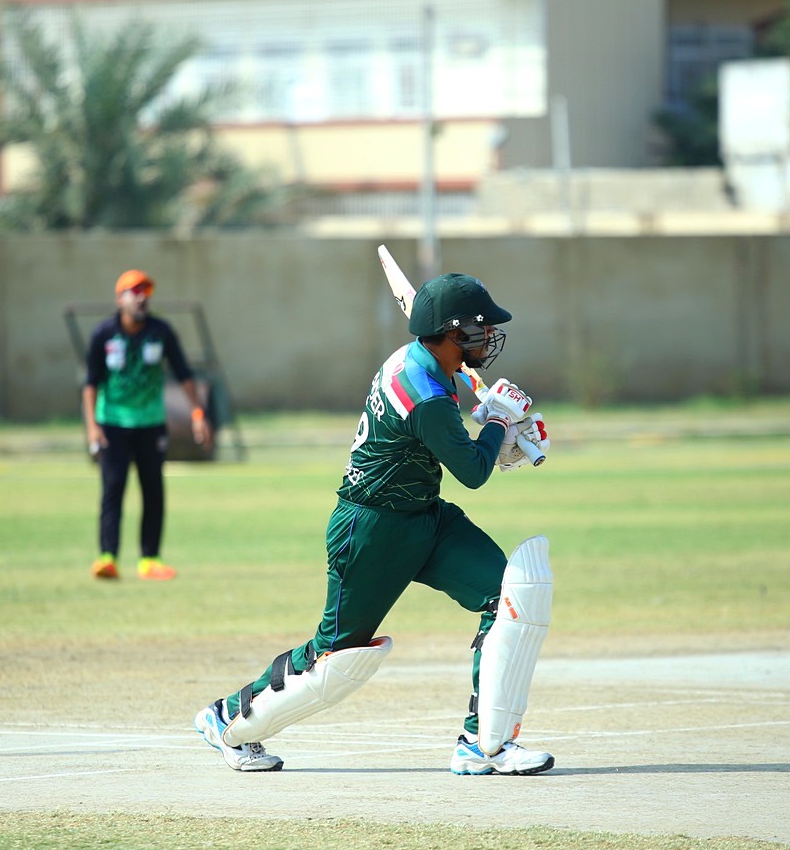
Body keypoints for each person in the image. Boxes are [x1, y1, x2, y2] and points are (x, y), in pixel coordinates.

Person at [193, 272, 554, 775]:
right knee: (334, 659)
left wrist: (499, 433)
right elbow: (472, 472)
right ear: (454, 333)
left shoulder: (420, 361)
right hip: (371, 530)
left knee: (510, 594)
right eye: (482, 327)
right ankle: (226, 718)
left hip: (425, 515)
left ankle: (484, 745)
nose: (490, 335)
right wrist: (497, 424)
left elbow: (459, 444)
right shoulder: (424, 394)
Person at [82, 268, 213, 581]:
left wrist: (198, 414)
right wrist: (92, 426)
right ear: (120, 298)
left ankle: (150, 559)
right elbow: (90, 384)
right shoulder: (104, 334)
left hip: (151, 424)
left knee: (153, 489)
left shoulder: (161, 332)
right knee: (113, 488)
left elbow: (184, 374)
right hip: (112, 423)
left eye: (146, 292)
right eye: (135, 292)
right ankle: (108, 557)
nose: (142, 298)